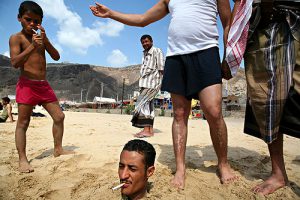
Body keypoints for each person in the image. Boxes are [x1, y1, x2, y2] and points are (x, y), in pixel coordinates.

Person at [90, 0, 237, 189]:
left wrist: (228, 57)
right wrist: (111, 13)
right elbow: (143, 19)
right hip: (176, 57)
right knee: (179, 114)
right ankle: (180, 168)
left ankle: (223, 164)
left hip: (206, 52)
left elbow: (228, 23)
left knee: (214, 111)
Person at [228, 0, 300, 195]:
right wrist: (231, 46)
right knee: (267, 102)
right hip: (261, 27)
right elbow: (238, 3)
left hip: (295, 18)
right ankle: (279, 173)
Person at [9, 1, 73, 173]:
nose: (32, 24)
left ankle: (58, 149)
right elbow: (15, 62)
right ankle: (23, 159)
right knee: (23, 122)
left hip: (43, 85)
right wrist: (32, 46)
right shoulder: (17, 38)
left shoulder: (40, 38)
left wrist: (45, 41)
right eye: (28, 19)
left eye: (36, 21)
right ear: (19, 18)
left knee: (59, 116)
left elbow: (56, 56)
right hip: (27, 85)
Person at [131, 34, 164, 138]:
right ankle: (149, 130)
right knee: (148, 106)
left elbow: (161, 68)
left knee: (142, 104)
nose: (145, 44)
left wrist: (164, 82)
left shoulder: (157, 51)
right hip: (145, 83)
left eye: (146, 41)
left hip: (153, 83)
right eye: (143, 42)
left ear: (151, 41)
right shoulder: (145, 53)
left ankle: (145, 129)